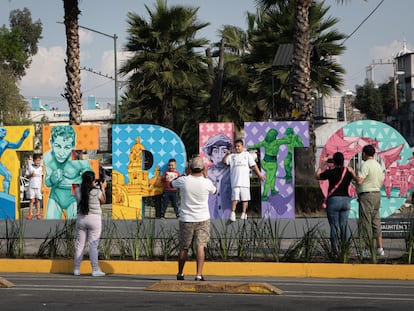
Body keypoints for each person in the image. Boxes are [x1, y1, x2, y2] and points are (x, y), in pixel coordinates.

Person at [171, 156, 216, 281]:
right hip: (203, 218)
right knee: (200, 246)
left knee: (184, 247)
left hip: (186, 218)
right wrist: (206, 176)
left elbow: (172, 183)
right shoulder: (206, 182)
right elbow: (214, 191)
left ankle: (180, 273)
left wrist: (185, 173)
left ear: (190, 168)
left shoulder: (184, 180)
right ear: (203, 169)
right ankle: (198, 274)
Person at [43, 126, 91, 219]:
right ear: (51, 143)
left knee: (73, 228)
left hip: (73, 197)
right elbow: (47, 183)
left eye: (67, 147)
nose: (61, 152)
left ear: (73, 146)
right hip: (55, 196)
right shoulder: (48, 157)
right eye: (57, 146)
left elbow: (90, 176)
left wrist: (85, 178)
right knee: (49, 227)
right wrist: (52, 179)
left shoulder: (78, 159)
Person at [315, 152, 358, 253]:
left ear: (333, 161)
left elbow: (316, 176)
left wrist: (323, 164)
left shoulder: (331, 172)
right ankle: (345, 250)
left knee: (334, 226)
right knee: (344, 225)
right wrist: (353, 172)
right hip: (346, 201)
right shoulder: (348, 172)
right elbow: (357, 180)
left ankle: (334, 250)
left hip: (333, 201)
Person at [223, 139, 266, 221]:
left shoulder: (247, 155)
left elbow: (253, 166)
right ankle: (233, 213)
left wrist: (260, 174)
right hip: (235, 182)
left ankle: (244, 213)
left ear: (242, 146)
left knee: (245, 198)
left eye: (238, 146)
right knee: (234, 197)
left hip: (245, 182)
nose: (237, 148)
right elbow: (224, 162)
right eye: (235, 146)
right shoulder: (232, 156)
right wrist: (227, 154)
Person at [73, 170, 106, 277]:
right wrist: (103, 188)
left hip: (81, 218)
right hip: (94, 219)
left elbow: (80, 199)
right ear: (92, 181)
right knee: (93, 245)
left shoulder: (78, 190)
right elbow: (103, 201)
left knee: (80, 244)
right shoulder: (97, 191)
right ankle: (95, 269)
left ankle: (77, 269)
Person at [355, 144, 385, 258]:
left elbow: (359, 181)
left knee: (365, 222)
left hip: (367, 195)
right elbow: (381, 182)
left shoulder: (365, 165)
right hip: (377, 194)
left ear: (364, 154)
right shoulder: (378, 165)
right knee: (376, 221)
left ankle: (367, 249)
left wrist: (353, 174)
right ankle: (380, 248)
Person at [248, 129, 287, 201]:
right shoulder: (277, 142)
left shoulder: (265, 142)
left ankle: (272, 189)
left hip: (264, 162)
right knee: (269, 179)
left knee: (273, 176)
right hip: (271, 163)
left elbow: (256, 145)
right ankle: (264, 195)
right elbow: (286, 141)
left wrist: (247, 146)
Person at [202, 133, 233, 218]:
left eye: (224, 151)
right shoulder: (205, 172)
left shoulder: (232, 171)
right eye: (215, 151)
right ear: (210, 155)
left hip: (227, 214)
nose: (219, 156)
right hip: (209, 215)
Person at [0, 127, 29, 194]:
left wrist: (23, 138)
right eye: (2, 131)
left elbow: (16, 146)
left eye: (5, 132)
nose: (4, 133)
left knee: (8, 175)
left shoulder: (5, 142)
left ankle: (5, 195)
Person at [25, 153, 43, 220]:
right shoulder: (29, 167)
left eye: (39, 160)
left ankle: (38, 214)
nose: (38, 162)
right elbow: (26, 176)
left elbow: (42, 177)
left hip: (38, 186)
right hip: (31, 186)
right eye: (37, 160)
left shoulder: (41, 168)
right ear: (33, 160)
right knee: (32, 200)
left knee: (38, 200)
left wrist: (42, 187)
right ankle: (30, 214)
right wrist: (31, 175)